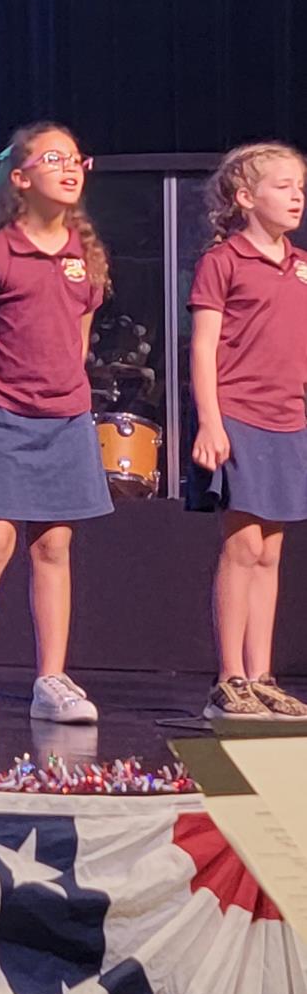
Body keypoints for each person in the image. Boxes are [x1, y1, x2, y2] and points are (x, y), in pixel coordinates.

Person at [0, 122, 109, 726]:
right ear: (20, 178)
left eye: (75, 159)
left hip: (67, 419)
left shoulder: (85, 254)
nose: (69, 168)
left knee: (54, 545)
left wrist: (62, 391)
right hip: (7, 417)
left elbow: (79, 341)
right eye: (53, 159)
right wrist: (5, 395)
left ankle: (51, 679)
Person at [188, 141, 307, 720]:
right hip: (239, 414)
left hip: (290, 418)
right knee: (243, 546)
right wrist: (211, 421)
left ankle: (262, 676)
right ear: (244, 197)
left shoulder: (301, 264)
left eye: (301, 187)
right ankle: (229, 676)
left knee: (271, 551)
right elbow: (203, 347)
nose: (297, 197)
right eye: (283, 186)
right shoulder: (224, 261)